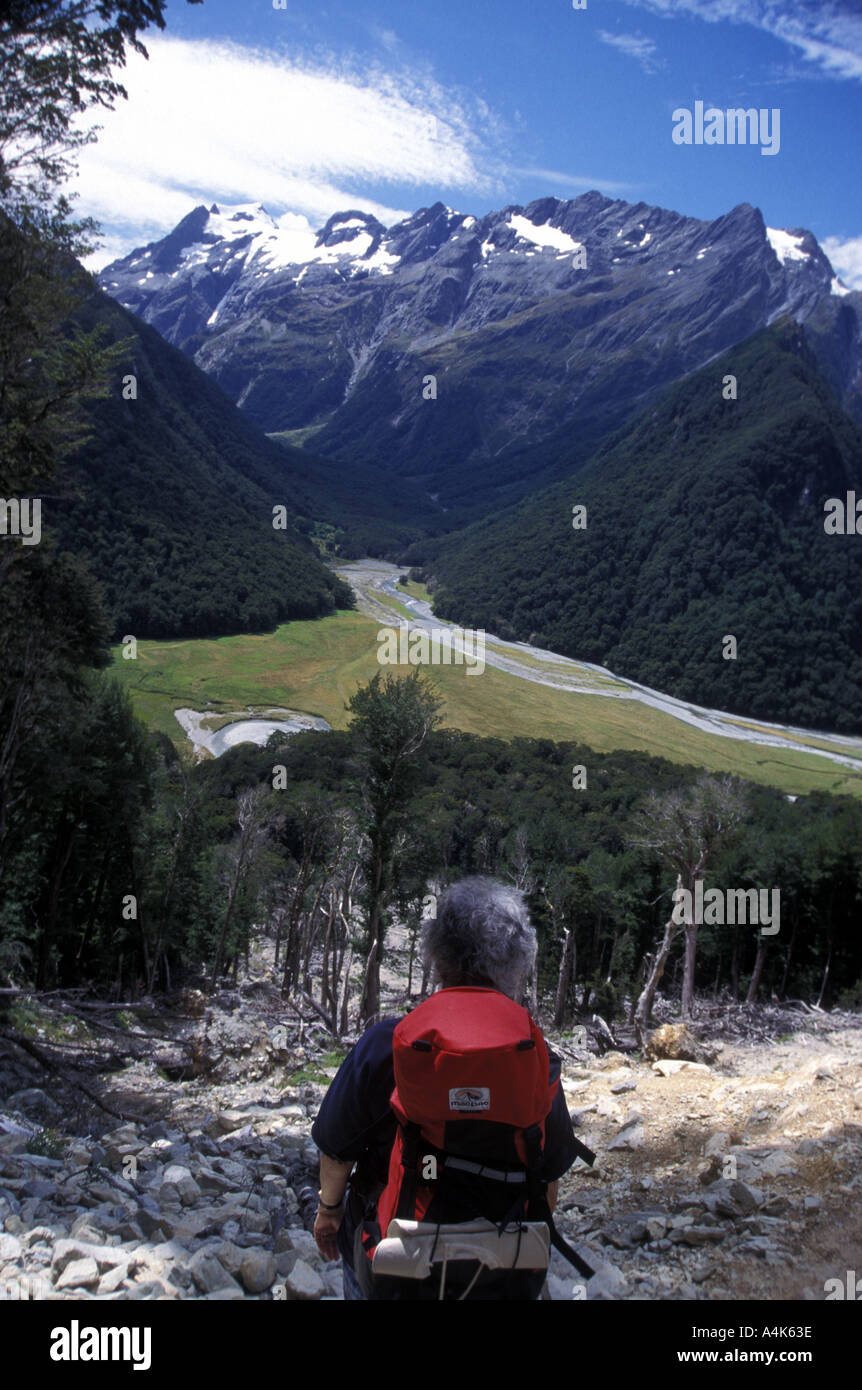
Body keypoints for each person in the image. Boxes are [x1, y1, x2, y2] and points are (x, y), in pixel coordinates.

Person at [310, 876, 583, 1300]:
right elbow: (547, 1181)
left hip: (394, 1266)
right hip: (501, 1272)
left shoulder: (388, 1042)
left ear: (437, 958)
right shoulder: (533, 1053)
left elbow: (336, 1151)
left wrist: (329, 1211)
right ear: (517, 963)